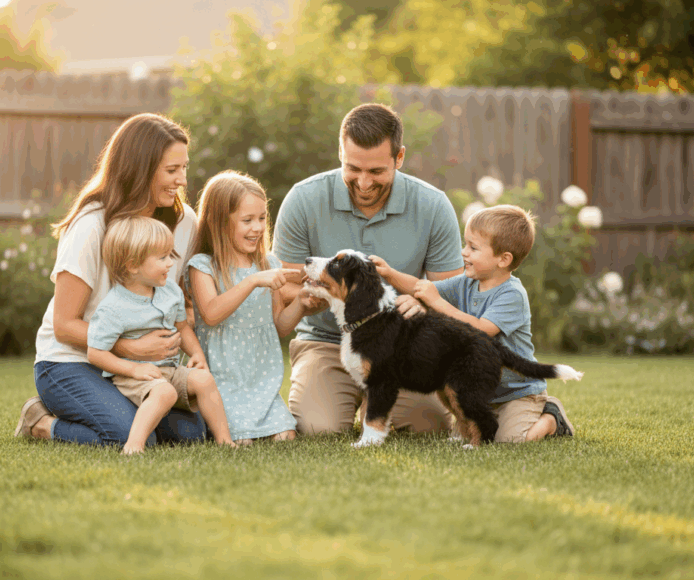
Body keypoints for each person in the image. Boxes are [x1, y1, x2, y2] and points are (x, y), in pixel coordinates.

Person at [14, 113, 208, 447]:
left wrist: (183, 339)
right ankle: (41, 422)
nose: (182, 180)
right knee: (129, 438)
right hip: (70, 362)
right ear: (140, 169)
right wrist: (128, 347)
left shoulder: (183, 221)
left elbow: (180, 301)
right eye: (171, 170)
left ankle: (104, 407)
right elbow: (64, 325)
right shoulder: (91, 226)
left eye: (184, 168)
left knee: (191, 435)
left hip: (146, 368)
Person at [272, 102, 464, 435]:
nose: (363, 183)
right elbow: (284, 285)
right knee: (317, 429)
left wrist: (423, 303)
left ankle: (374, 408)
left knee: (427, 428)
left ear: (399, 158)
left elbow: (453, 291)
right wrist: (310, 298)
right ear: (340, 153)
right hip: (327, 341)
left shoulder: (433, 206)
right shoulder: (303, 200)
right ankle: (347, 402)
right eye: (353, 168)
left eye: (376, 171)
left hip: (401, 346)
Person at [374, 204, 575, 442]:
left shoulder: (511, 294)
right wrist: (388, 273)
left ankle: (552, 418)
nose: (463, 252)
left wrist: (438, 303)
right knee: (463, 436)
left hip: (517, 392)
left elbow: (481, 330)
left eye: (473, 248)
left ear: (503, 259)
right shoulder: (466, 282)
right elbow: (421, 288)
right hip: (477, 388)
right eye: (465, 244)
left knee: (510, 442)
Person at [86, 216, 235, 453]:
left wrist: (197, 353)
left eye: (170, 256)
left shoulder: (170, 291)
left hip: (170, 369)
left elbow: (183, 327)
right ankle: (134, 446)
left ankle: (225, 442)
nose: (169, 264)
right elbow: (95, 353)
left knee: (205, 380)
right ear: (133, 265)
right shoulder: (113, 307)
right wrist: (134, 369)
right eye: (162, 258)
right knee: (164, 392)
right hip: (133, 376)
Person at [186, 170, 309, 444]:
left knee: (286, 435)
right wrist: (252, 282)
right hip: (222, 382)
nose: (258, 228)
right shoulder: (203, 267)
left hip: (260, 384)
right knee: (242, 440)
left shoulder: (269, 264)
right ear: (220, 222)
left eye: (262, 218)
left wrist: (301, 302)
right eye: (247, 220)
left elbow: (279, 326)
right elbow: (212, 314)